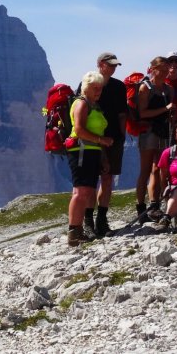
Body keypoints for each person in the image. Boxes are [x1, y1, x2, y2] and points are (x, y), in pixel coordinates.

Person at [80, 52, 127, 238]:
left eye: (115, 65)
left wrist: (122, 135)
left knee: (107, 179)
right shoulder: (88, 82)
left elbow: (123, 113)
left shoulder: (119, 86)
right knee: (91, 181)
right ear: (100, 64)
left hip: (113, 138)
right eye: (111, 64)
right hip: (92, 138)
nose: (114, 68)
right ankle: (88, 222)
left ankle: (102, 220)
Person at [66, 71, 113, 247]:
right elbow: (79, 129)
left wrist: (103, 158)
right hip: (81, 150)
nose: (98, 92)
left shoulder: (94, 105)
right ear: (86, 87)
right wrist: (102, 141)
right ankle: (74, 231)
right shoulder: (82, 103)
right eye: (95, 88)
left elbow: (97, 133)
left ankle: (77, 230)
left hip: (92, 151)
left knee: (86, 191)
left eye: (100, 89)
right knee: (81, 192)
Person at [135, 56, 175, 221]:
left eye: (167, 69)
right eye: (162, 69)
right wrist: (164, 109)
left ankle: (154, 205)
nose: (165, 72)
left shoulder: (168, 89)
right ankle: (140, 207)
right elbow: (142, 113)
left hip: (164, 131)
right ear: (153, 69)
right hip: (148, 132)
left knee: (158, 169)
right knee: (145, 170)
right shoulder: (145, 88)